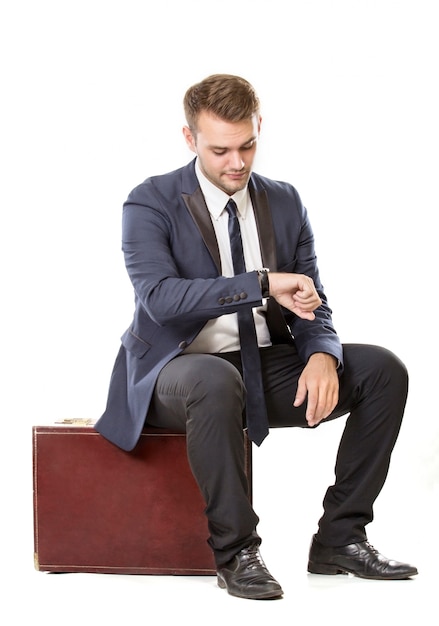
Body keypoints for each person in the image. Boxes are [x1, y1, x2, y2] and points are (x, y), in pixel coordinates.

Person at [95, 73, 418, 599]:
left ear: (259, 127)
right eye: (220, 149)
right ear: (189, 138)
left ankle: (340, 538)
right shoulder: (149, 202)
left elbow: (314, 300)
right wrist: (262, 284)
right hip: (176, 375)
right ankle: (237, 552)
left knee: (382, 369)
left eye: (247, 145)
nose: (237, 162)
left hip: (262, 367)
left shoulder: (285, 202)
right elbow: (161, 297)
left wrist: (320, 354)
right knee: (213, 378)